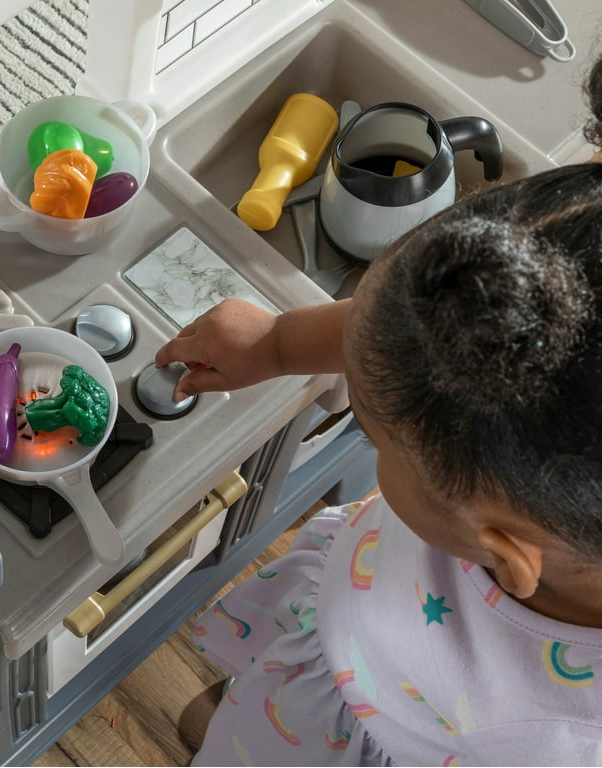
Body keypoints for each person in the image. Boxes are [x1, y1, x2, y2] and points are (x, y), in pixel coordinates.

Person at [154, 56, 602, 766]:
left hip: (376, 733)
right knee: (263, 704)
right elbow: (411, 333)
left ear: (505, 556)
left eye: (376, 442)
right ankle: (264, 703)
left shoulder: (560, 743)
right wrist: (277, 341)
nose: (375, 449)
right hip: (343, 635)